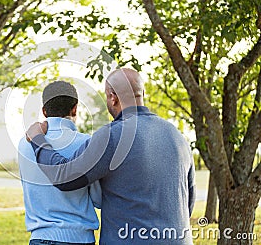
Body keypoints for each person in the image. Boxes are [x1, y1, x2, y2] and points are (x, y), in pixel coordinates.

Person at [26, 68, 196, 245]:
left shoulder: (113, 136)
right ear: (142, 93)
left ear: (113, 97)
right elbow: (188, 202)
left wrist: (38, 138)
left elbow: (64, 176)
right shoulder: (178, 136)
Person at [18, 81, 102, 245]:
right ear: (75, 109)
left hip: (39, 238)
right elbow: (98, 199)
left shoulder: (25, 143)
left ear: (44, 111)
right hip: (79, 239)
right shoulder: (86, 143)